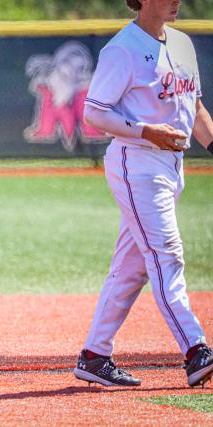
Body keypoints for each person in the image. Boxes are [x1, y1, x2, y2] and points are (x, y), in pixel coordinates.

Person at [73, 0, 213, 387]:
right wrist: (146, 131)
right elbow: (95, 113)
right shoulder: (122, 49)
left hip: (171, 166)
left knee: (133, 267)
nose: (177, 0)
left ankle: (94, 355)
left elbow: (195, 106)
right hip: (137, 162)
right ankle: (196, 349)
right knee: (167, 254)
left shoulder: (182, 43)